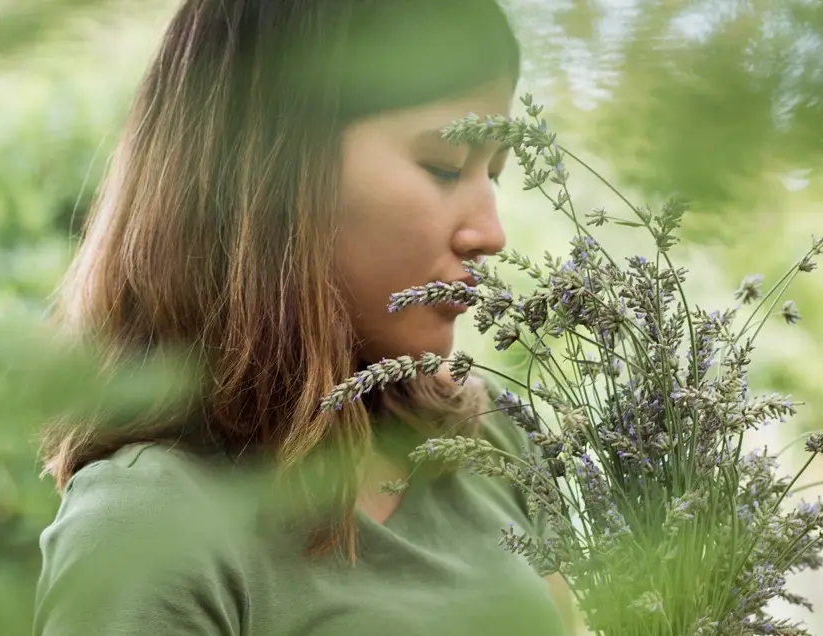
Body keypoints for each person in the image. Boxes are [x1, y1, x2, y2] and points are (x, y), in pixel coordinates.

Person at [32, 1, 576, 635]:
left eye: (495, 176)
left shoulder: (493, 444)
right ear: (272, 171)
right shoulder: (147, 524)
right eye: (445, 167)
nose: (490, 232)